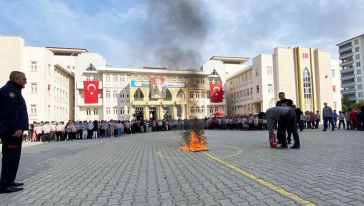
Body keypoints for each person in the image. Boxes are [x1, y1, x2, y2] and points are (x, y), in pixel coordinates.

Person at [0, 71, 29, 193]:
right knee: (10, 158)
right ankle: (5, 185)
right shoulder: (10, 92)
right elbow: (10, 112)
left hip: (13, 131)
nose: (25, 81)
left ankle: (9, 181)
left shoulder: (14, 91)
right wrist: (17, 128)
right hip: (11, 132)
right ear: (16, 79)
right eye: (23, 79)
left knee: (13, 157)